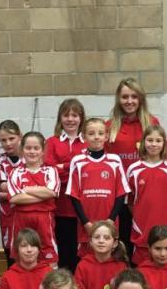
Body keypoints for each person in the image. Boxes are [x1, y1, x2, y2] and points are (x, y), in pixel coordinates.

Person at [107, 78, 159, 258]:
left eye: (134, 97)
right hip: (118, 196)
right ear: (118, 99)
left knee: (144, 243)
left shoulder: (151, 123)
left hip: (143, 194)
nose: (129, 101)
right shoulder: (110, 126)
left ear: (141, 99)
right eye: (125, 97)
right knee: (121, 244)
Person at [67, 118, 131, 257]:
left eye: (100, 133)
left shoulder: (115, 160)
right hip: (87, 226)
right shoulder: (77, 161)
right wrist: (86, 223)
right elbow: (73, 195)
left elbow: (121, 194)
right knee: (87, 262)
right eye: (91, 133)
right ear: (83, 137)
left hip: (110, 223)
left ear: (106, 136)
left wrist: (110, 220)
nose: (96, 137)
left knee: (110, 261)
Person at [126, 124, 167, 266]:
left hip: (166, 228)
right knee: (142, 272)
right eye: (150, 140)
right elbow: (130, 202)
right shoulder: (133, 169)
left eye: (158, 140)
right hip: (141, 230)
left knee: (165, 271)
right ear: (143, 142)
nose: (154, 144)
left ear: (164, 143)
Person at [45, 98, 87, 271]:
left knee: (82, 255)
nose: (70, 119)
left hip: (84, 208)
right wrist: (75, 167)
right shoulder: (52, 142)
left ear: (81, 118)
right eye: (66, 115)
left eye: (75, 115)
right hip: (60, 207)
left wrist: (63, 166)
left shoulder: (88, 141)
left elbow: (88, 172)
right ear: (60, 118)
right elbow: (49, 172)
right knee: (64, 254)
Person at [8, 132, 60, 265]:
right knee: (21, 252)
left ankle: (49, 281)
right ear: (22, 150)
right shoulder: (15, 172)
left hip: (44, 218)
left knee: (48, 254)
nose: (32, 151)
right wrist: (42, 194)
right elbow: (14, 198)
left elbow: (52, 193)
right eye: (28, 148)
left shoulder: (50, 171)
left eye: (36, 148)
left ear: (43, 151)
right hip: (20, 218)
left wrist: (26, 189)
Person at [0, 120, 23, 268]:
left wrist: (9, 194)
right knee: (11, 255)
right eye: (3, 140)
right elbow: (2, 188)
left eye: (12, 138)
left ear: (20, 137)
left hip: (28, 214)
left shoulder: (30, 157)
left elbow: (6, 192)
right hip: (8, 216)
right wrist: (27, 190)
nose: (8, 143)